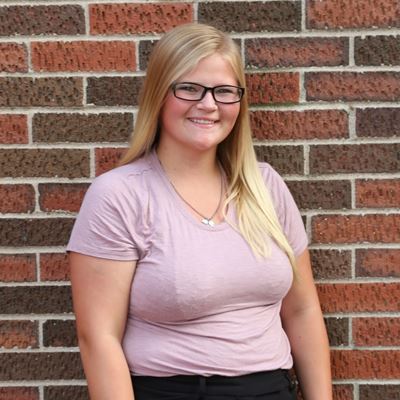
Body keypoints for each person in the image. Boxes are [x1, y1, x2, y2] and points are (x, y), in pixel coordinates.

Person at [67, 23, 332, 400]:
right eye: (190, 88)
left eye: (224, 91)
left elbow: (302, 309)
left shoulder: (265, 186)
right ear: (160, 95)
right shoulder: (120, 195)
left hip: (270, 389)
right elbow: (98, 337)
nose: (208, 105)